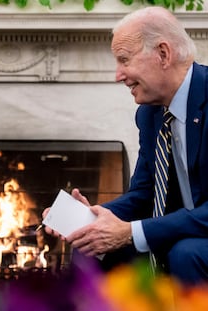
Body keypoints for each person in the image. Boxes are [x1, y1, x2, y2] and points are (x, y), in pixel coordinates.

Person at [43, 6, 208, 285]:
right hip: (185, 230)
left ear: (163, 54)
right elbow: (144, 194)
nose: (118, 75)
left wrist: (131, 232)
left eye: (124, 60)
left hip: (194, 241)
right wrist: (91, 220)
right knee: (93, 248)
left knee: (186, 253)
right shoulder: (151, 114)